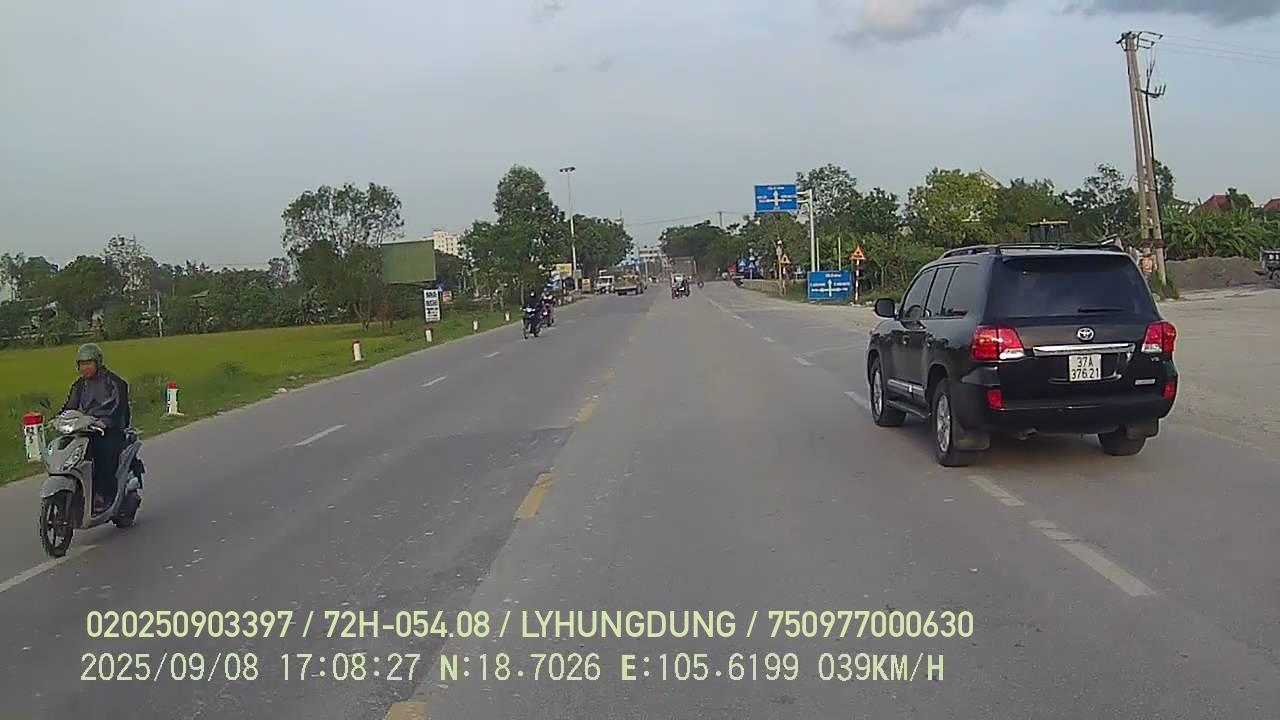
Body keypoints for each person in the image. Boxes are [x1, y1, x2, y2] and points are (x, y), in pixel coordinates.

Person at [62, 343, 131, 514]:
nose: (85, 368)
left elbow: (119, 409)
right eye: (81, 364)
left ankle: (103, 494)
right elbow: (70, 407)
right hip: (85, 430)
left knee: (103, 454)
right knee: (66, 451)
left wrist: (106, 422)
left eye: (88, 363)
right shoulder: (79, 385)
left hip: (109, 431)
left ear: (98, 363)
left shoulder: (114, 382)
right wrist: (60, 419)